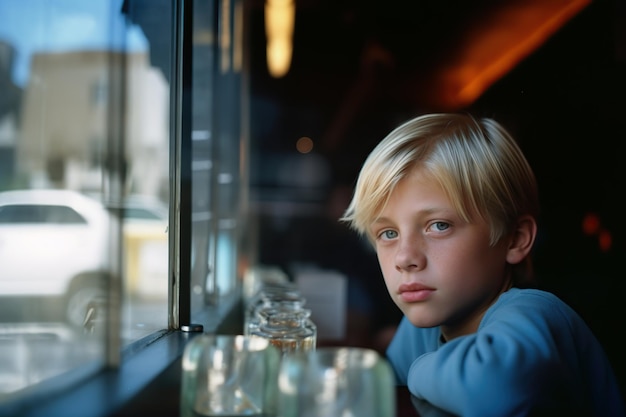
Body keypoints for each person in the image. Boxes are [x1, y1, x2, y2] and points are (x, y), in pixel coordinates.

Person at [340, 113, 625, 416]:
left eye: (438, 226)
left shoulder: (536, 313)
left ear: (514, 239)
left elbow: (491, 390)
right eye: (388, 233)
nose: (404, 258)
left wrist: (416, 369)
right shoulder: (418, 329)